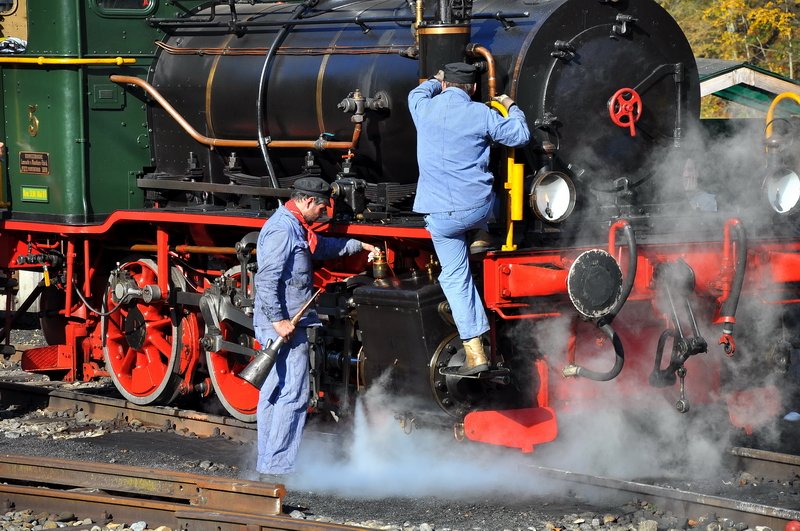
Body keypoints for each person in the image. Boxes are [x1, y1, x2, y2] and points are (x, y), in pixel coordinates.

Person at [408, 62, 530, 376]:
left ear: (446, 85)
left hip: (440, 216)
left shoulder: (422, 108)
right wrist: (511, 106)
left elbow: (418, 92)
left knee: (455, 279)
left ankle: (475, 352)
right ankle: (483, 232)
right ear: (473, 89)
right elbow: (520, 135)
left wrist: (436, 80)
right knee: (495, 188)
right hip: (476, 209)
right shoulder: (480, 113)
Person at [253, 177, 376, 476]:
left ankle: (268, 464)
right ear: (307, 201)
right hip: (284, 325)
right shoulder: (282, 230)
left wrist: (358, 244)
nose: (323, 213)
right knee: (292, 394)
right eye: (321, 207)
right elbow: (265, 280)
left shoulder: (296, 226)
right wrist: (279, 320)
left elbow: (319, 248)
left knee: (272, 391)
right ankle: (279, 467)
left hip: (284, 322)